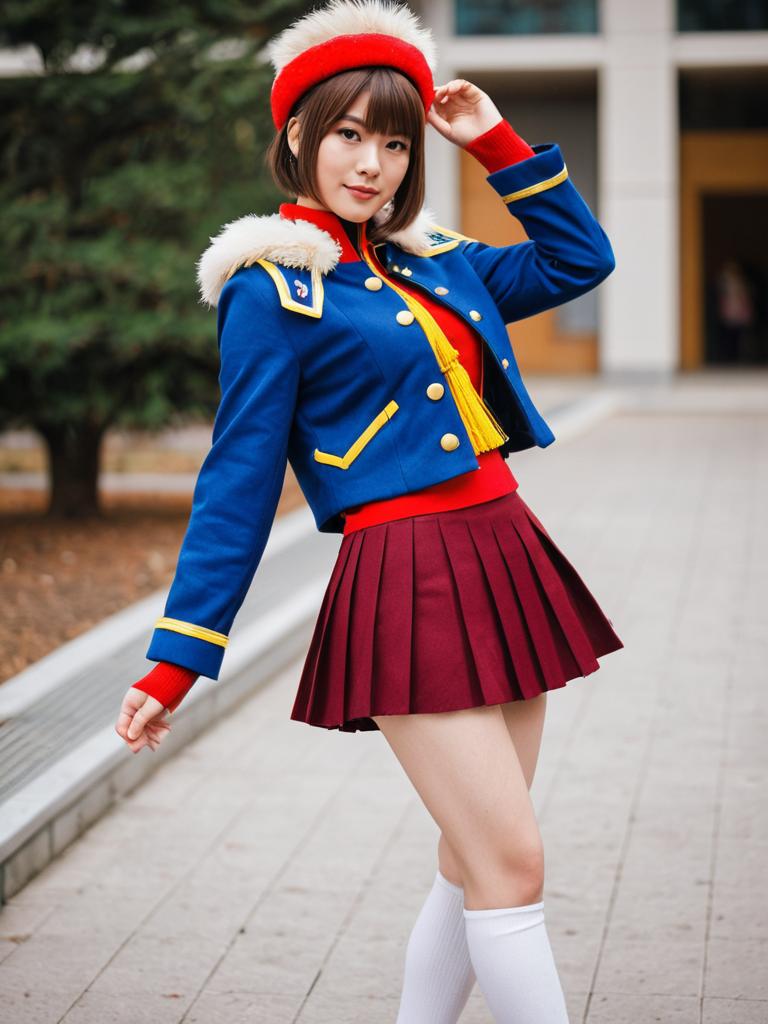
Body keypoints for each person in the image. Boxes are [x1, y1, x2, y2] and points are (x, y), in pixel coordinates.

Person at [114, 2, 624, 1020]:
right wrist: (179, 655)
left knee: (474, 852)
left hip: (503, 549)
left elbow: (578, 261)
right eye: (348, 134)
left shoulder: (435, 258)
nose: (373, 163)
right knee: (514, 862)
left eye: (394, 141)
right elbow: (238, 479)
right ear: (298, 135)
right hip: (409, 574)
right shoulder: (274, 289)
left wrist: (493, 142)